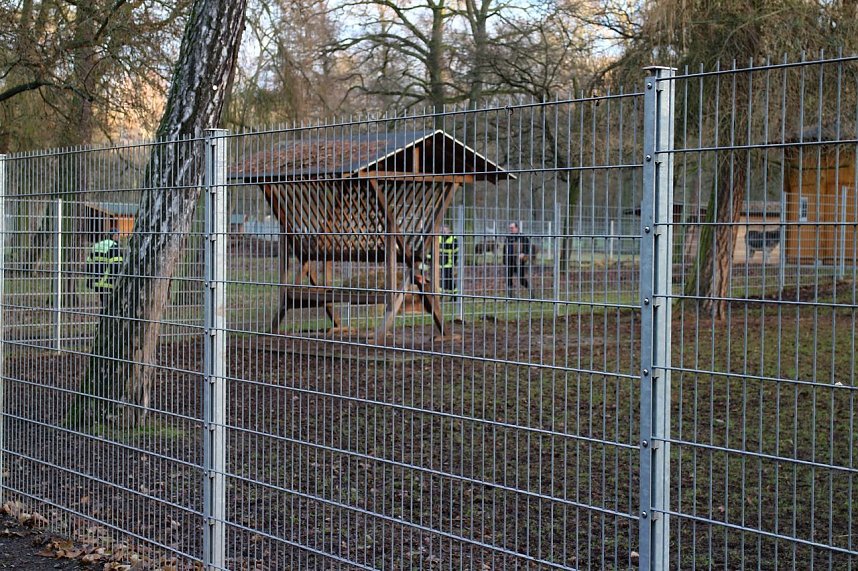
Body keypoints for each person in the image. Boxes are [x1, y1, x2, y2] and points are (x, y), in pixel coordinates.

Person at [86, 227, 124, 304]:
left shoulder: (96, 246)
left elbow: (89, 264)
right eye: (118, 236)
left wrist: (90, 280)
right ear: (114, 236)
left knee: (104, 303)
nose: (119, 238)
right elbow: (116, 266)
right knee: (110, 306)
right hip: (108, 282)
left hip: (97, 281)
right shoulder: (114, 247)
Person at [505, 221, 531, 298]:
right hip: (510, 261)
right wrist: (504, 260)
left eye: (512, 228)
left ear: (517, 228)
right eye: (510, 228)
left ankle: (530, 292)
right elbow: (505, 249)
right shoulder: (508, 237)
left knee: (521, 279)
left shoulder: (523, 237)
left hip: (519, 262)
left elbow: (527, 247)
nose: (511, 229)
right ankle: (510, 296)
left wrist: (524, 253)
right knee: (508, 278)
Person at [439, 225, 459, 298]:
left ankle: (452, 295)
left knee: (448, 279)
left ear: (449, 230)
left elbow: (456, 252)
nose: (443, 232)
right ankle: (444, 294)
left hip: (449, 263)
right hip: (440, 263)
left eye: (444, 231)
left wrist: (454, 262)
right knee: (444, 279)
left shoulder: (453, 239)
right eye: (442, 231)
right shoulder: (438, 238)